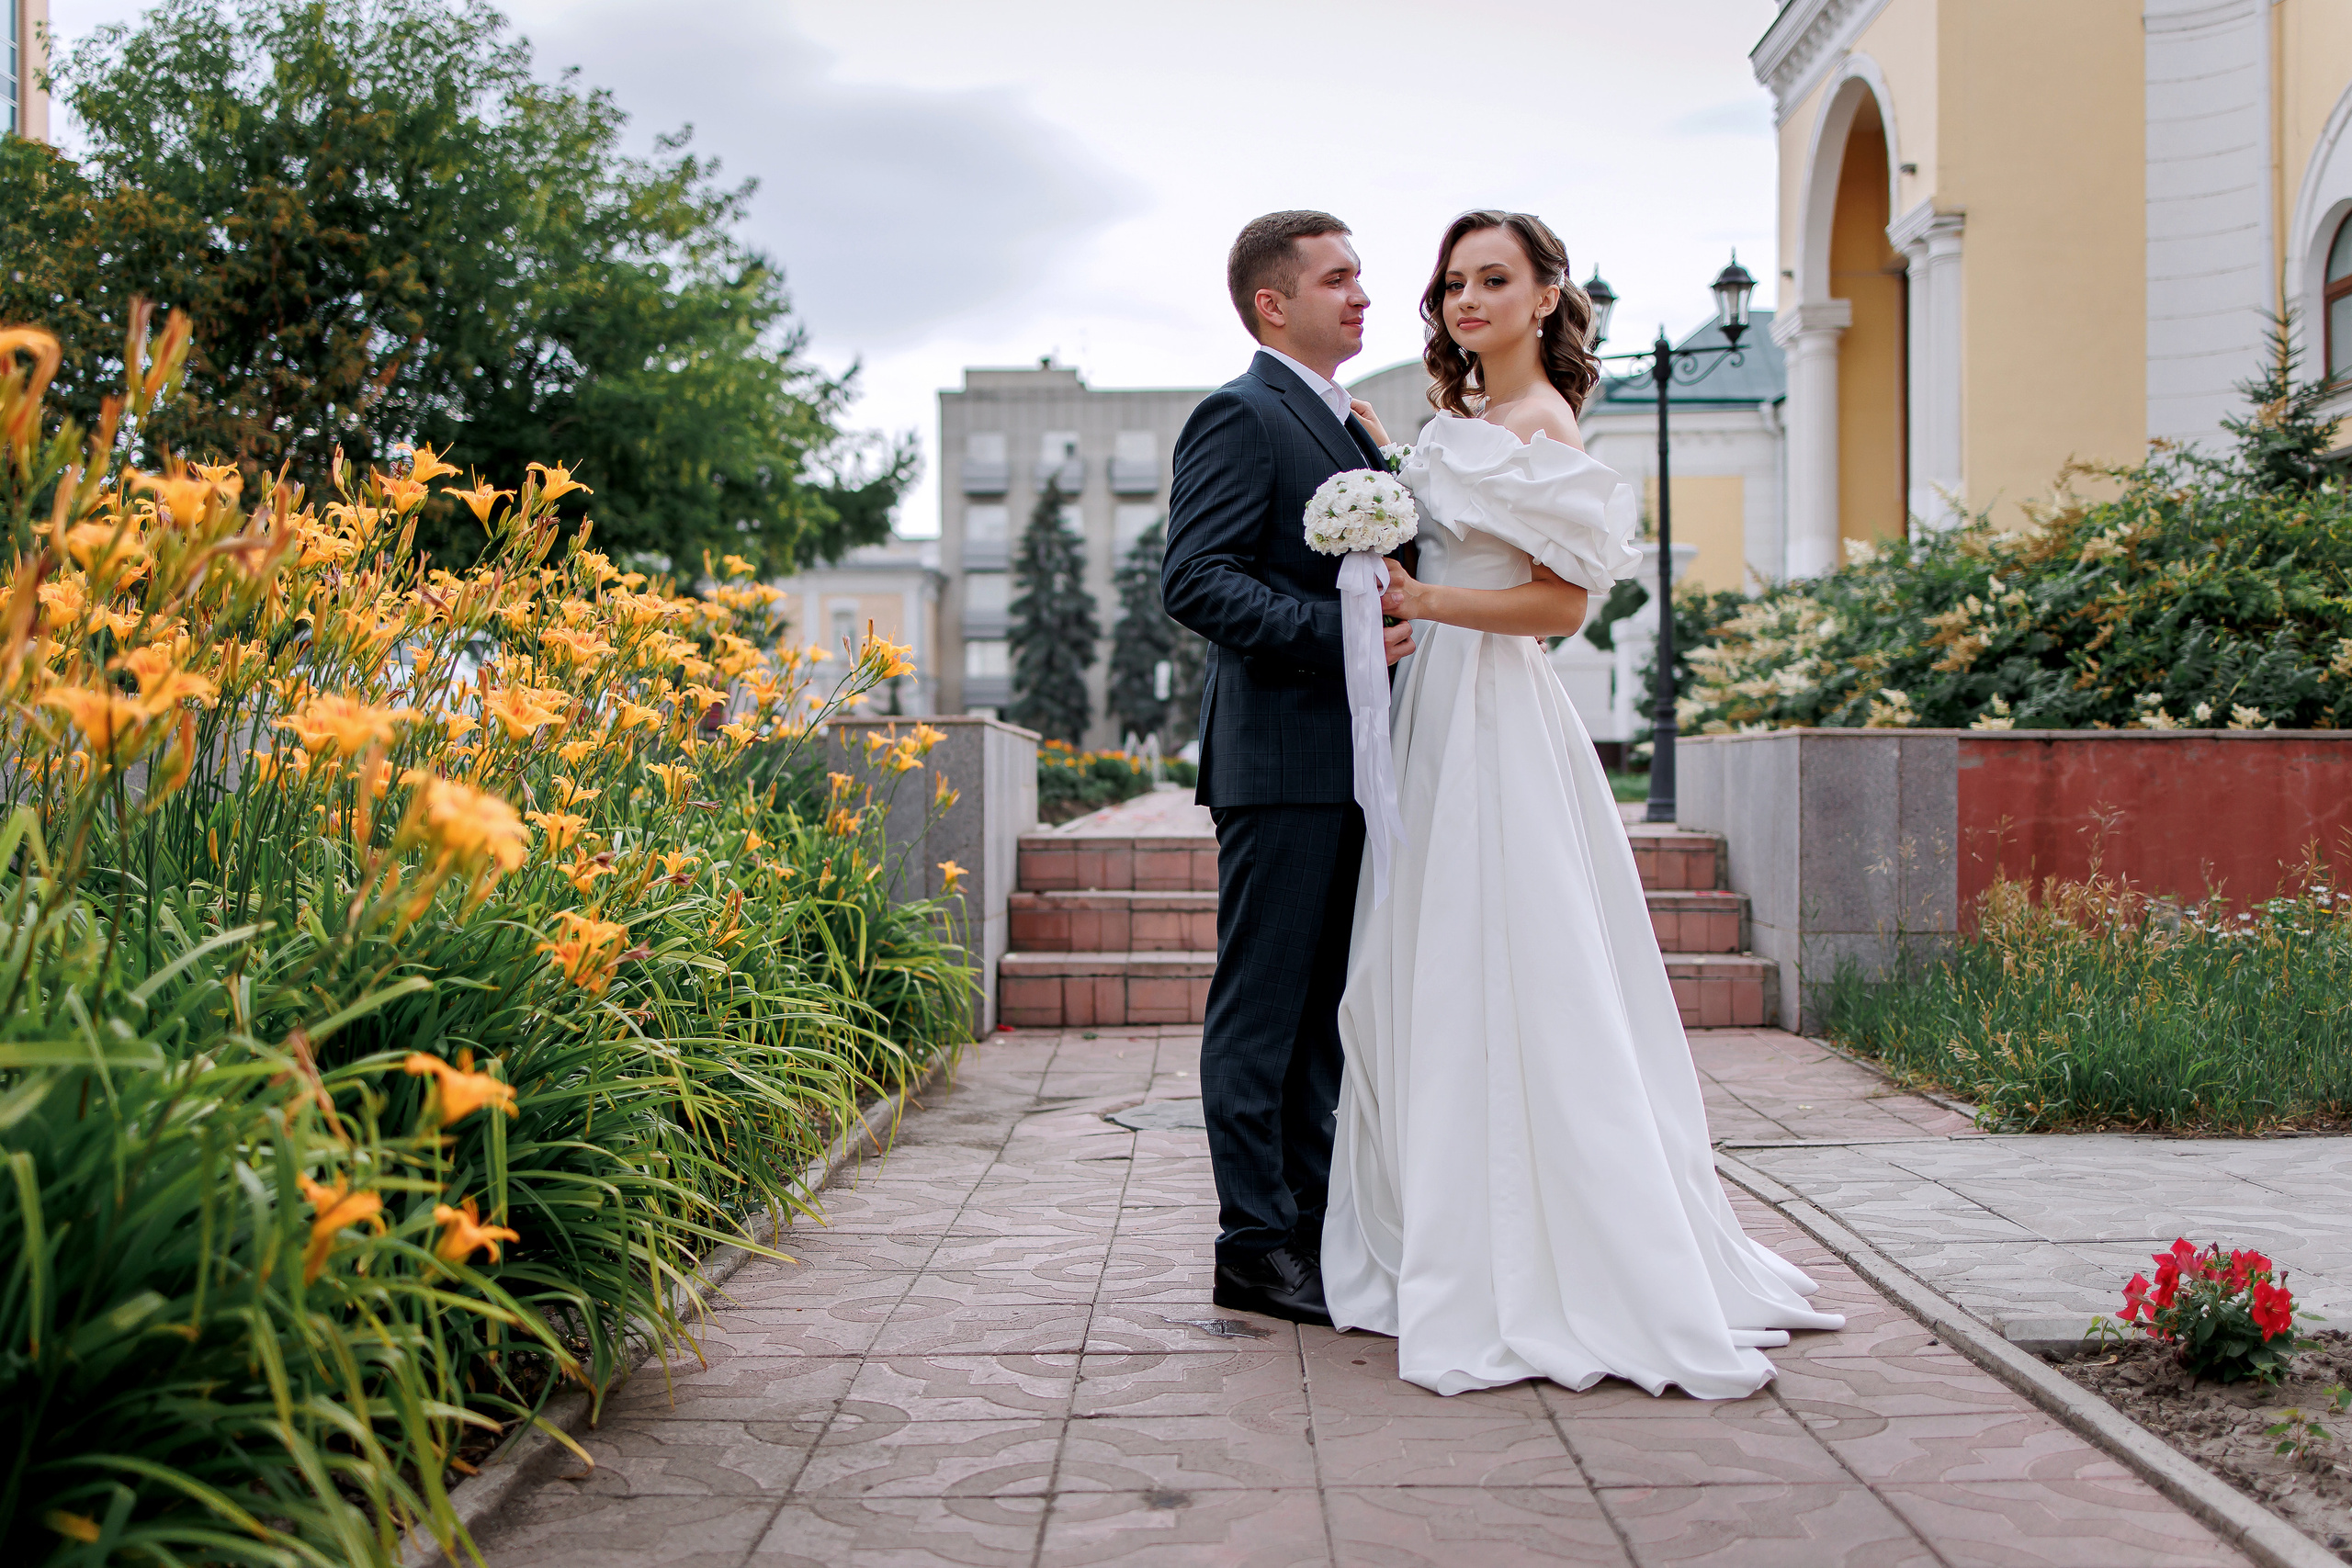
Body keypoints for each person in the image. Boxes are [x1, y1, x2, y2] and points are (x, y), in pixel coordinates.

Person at [1323, 209, 1845, 1399]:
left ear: (1549, 293)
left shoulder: (1545, 425)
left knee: (1514, 961)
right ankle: (1453, 1215)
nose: (1466, 300)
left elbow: (1561, 607)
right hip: (1442, 712)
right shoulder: (1463, 423)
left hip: (1500, 714)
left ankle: (1552, 1247)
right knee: (1437, 960)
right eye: (1454, 281)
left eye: (1494, 278)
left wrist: (1428, 600)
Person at [1160, 211, 1415, 1325]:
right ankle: (1252, 1244)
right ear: (1273, 303)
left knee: (1325, 1011)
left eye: (1361, 277)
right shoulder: (1241, 414)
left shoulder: (1344, 424)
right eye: (1338, 279)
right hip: (1281, 760)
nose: (1363, 296)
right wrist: (1337, 636)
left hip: (1357, 760)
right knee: (1263, 1010)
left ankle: (1312, 1227)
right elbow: (1196, 580)